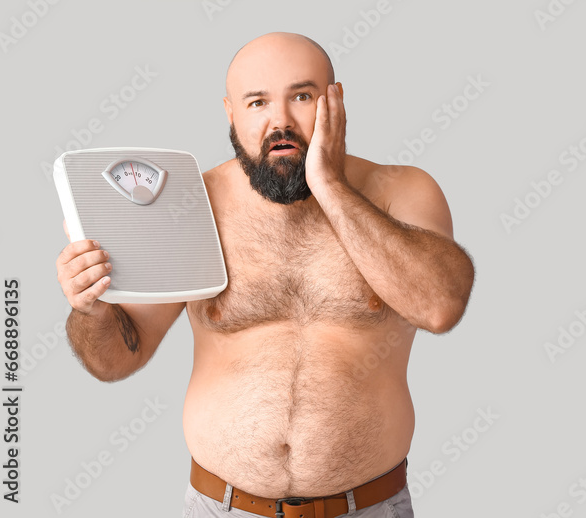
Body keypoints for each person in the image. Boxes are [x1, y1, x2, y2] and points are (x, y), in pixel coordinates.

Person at [54, 32, 475, 518]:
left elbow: (440, 306)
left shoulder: (400, 191)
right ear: (231, 113)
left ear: (334, 101)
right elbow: (116, 361)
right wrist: (90, 307)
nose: (281, 121)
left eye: (301, 96)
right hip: (221, 506)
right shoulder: (194, 203)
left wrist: (331, 186)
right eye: (258, 102)